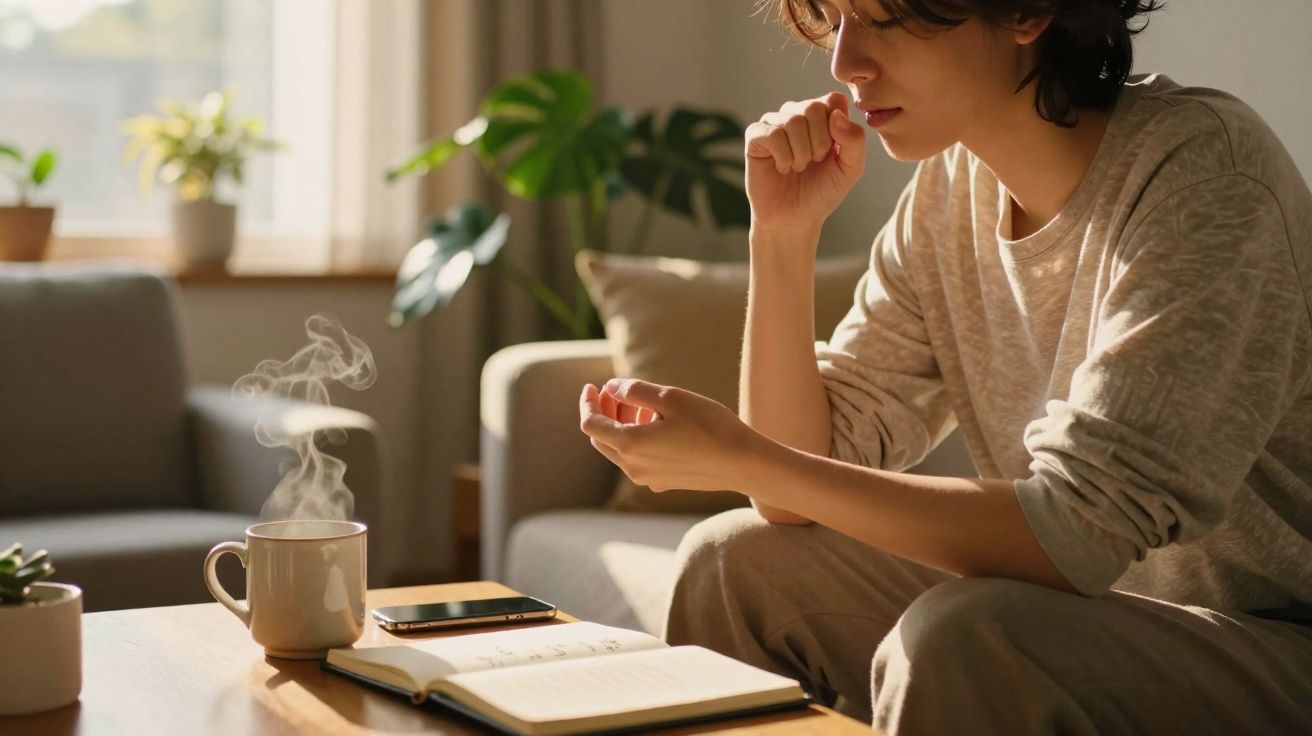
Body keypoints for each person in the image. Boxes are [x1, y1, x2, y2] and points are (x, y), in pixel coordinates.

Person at [578, 0, 1312, 732]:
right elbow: (792, 493)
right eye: (837, 21)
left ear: (1027, 12)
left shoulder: (1207, 179)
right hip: (1099, 616)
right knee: (730, 562)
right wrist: (781, 234)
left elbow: (1075, 534)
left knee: (965, 636)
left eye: (886, 20)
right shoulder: (948, 193)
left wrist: (744, 456)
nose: (845, 64)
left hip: (1273, 645)